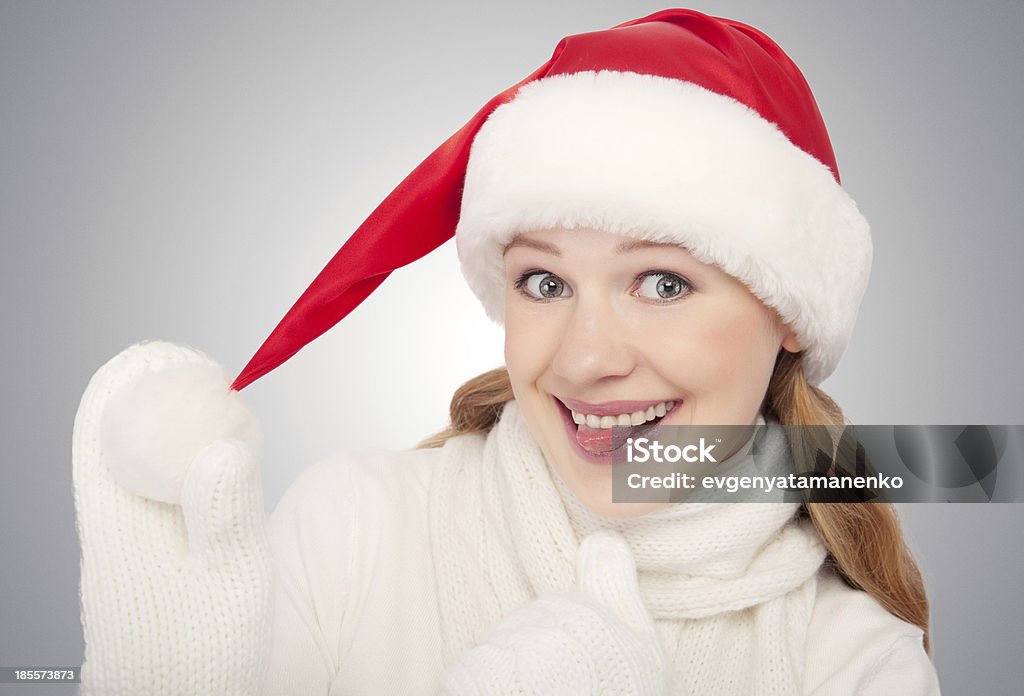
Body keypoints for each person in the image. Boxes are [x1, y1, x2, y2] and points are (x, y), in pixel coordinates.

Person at [73, 8, 941, 695]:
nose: (584, 359)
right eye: (545, 283)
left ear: (789, 312)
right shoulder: (356, 528)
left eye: (663, 283)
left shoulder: (855, 664)